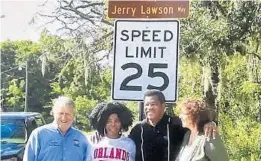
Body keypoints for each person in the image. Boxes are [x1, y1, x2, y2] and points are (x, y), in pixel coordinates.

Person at [129, 89, 218, 161]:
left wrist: (210, 123)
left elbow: (196, 126)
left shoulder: (177, 124)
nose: (149, 108)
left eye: (153, 104)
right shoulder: (138, 129)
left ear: (163, 106)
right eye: (146, 105)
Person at [23, 96, 89, 161]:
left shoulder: (81, 138)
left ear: (74, 115)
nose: (64, 117)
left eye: (68, 114)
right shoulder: (39, 135)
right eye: (61, 113)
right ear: (53, 113)